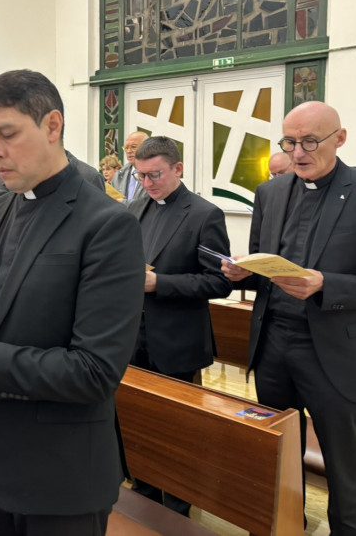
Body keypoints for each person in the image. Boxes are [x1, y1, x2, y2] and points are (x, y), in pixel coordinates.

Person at [0, 69, 145, 536]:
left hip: (61, 475)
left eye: (8, 134)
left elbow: (95, 370)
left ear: (52, 125)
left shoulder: (106, 224)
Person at [221, 101, 356, 535]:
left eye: (310, 141)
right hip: (273, 347)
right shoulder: (271, 193)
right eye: (289, 142)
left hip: (335, 354)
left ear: (339, 138)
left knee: (343, 474)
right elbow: (264, 263)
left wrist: (327, 283)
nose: (298, 152)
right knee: (279, 460)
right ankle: (288, 526)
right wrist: (243, 272)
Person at [126, 136, 231, 515]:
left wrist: (160, 283)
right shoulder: (135, 208)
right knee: (139, 422)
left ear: (178, 169)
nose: (147, 183)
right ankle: (143, 494)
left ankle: (177, 508)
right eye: (140, 176)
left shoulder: (204, 214)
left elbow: (218, 283)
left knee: (175, 431)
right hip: (133, 337)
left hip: (176, 340)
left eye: (155, 174)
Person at [111, 131, 148, 203]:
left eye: (133, 147)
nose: (129, 151)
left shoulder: (155, 174)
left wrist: (124, 203)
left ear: (147, 148)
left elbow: (149, 203)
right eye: (126, 148)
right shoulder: (118, 175)